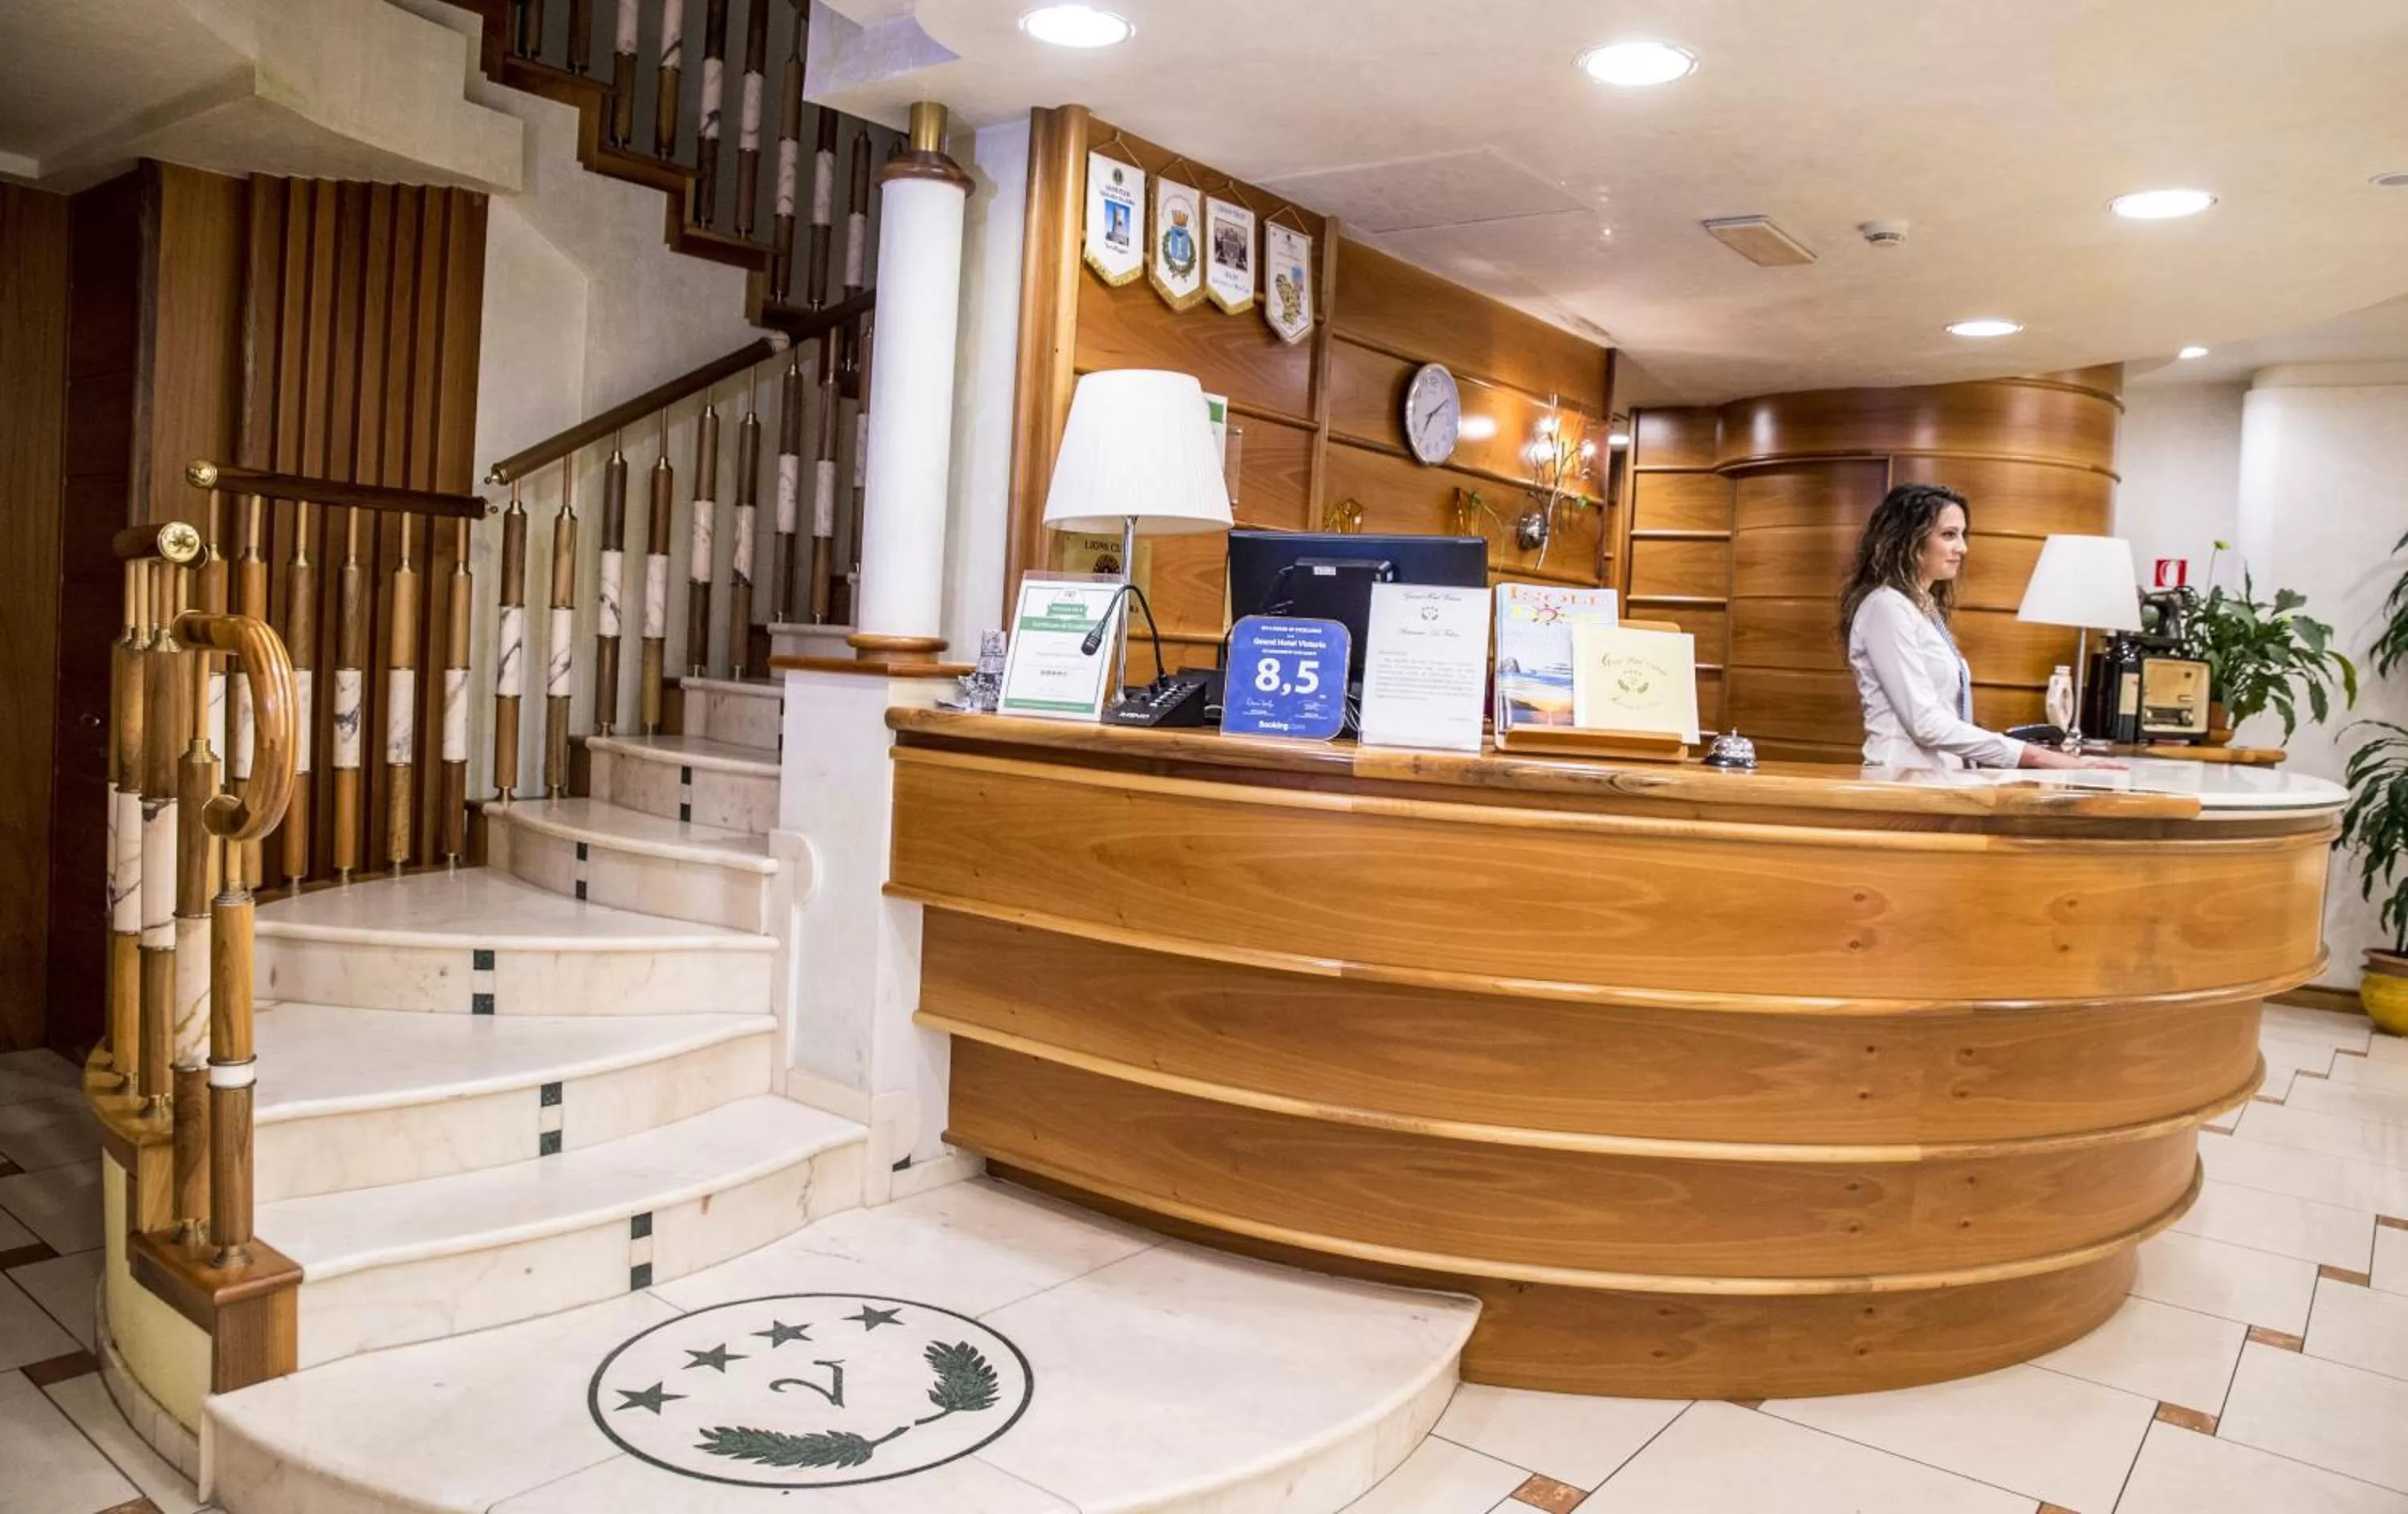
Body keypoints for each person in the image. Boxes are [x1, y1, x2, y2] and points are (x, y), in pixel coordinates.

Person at [1840, 483, 2117, 771]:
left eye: (1962, 535)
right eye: (1949, 535)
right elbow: (1924, 722)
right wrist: (2036, 757)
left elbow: (1946, 715)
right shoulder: (1886, 607)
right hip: (1903, 778)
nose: (1962, 548)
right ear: (1908, 540)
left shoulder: (1924, 609)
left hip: (1939, 778)